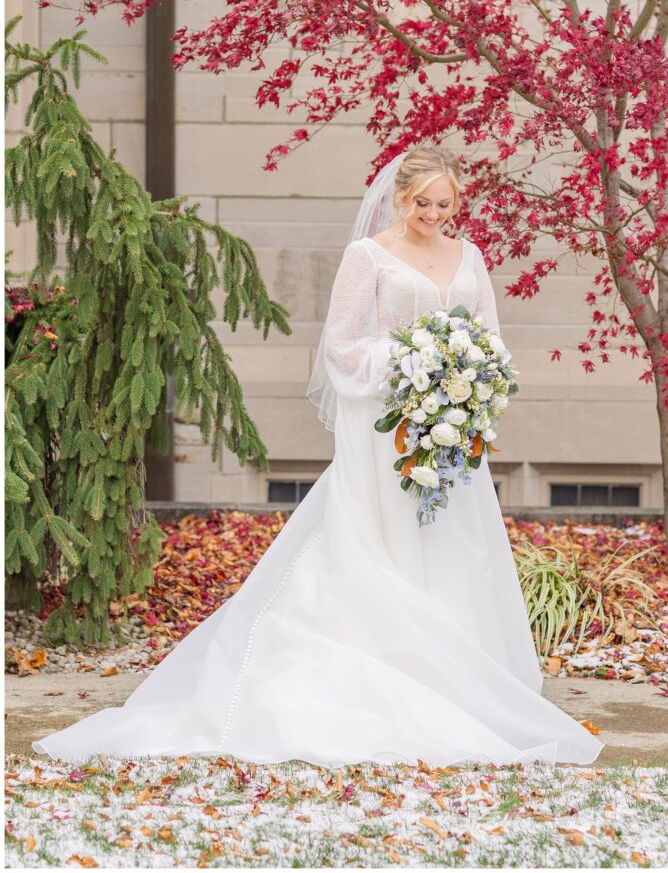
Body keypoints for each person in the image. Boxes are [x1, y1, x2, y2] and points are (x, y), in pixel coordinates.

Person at [32, 145, 604, 767]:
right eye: (423, 204)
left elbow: (489, 331)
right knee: (380, 544)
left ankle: (463, 672)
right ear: (400, 196)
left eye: (446, 204)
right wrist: (414, 368)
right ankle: (382, 663)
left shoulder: (471, 256)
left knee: (454, 545)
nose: (434, 215)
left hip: (452, 430)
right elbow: (342, 345)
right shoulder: (369, 257)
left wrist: (470, 374)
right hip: (389, 429)